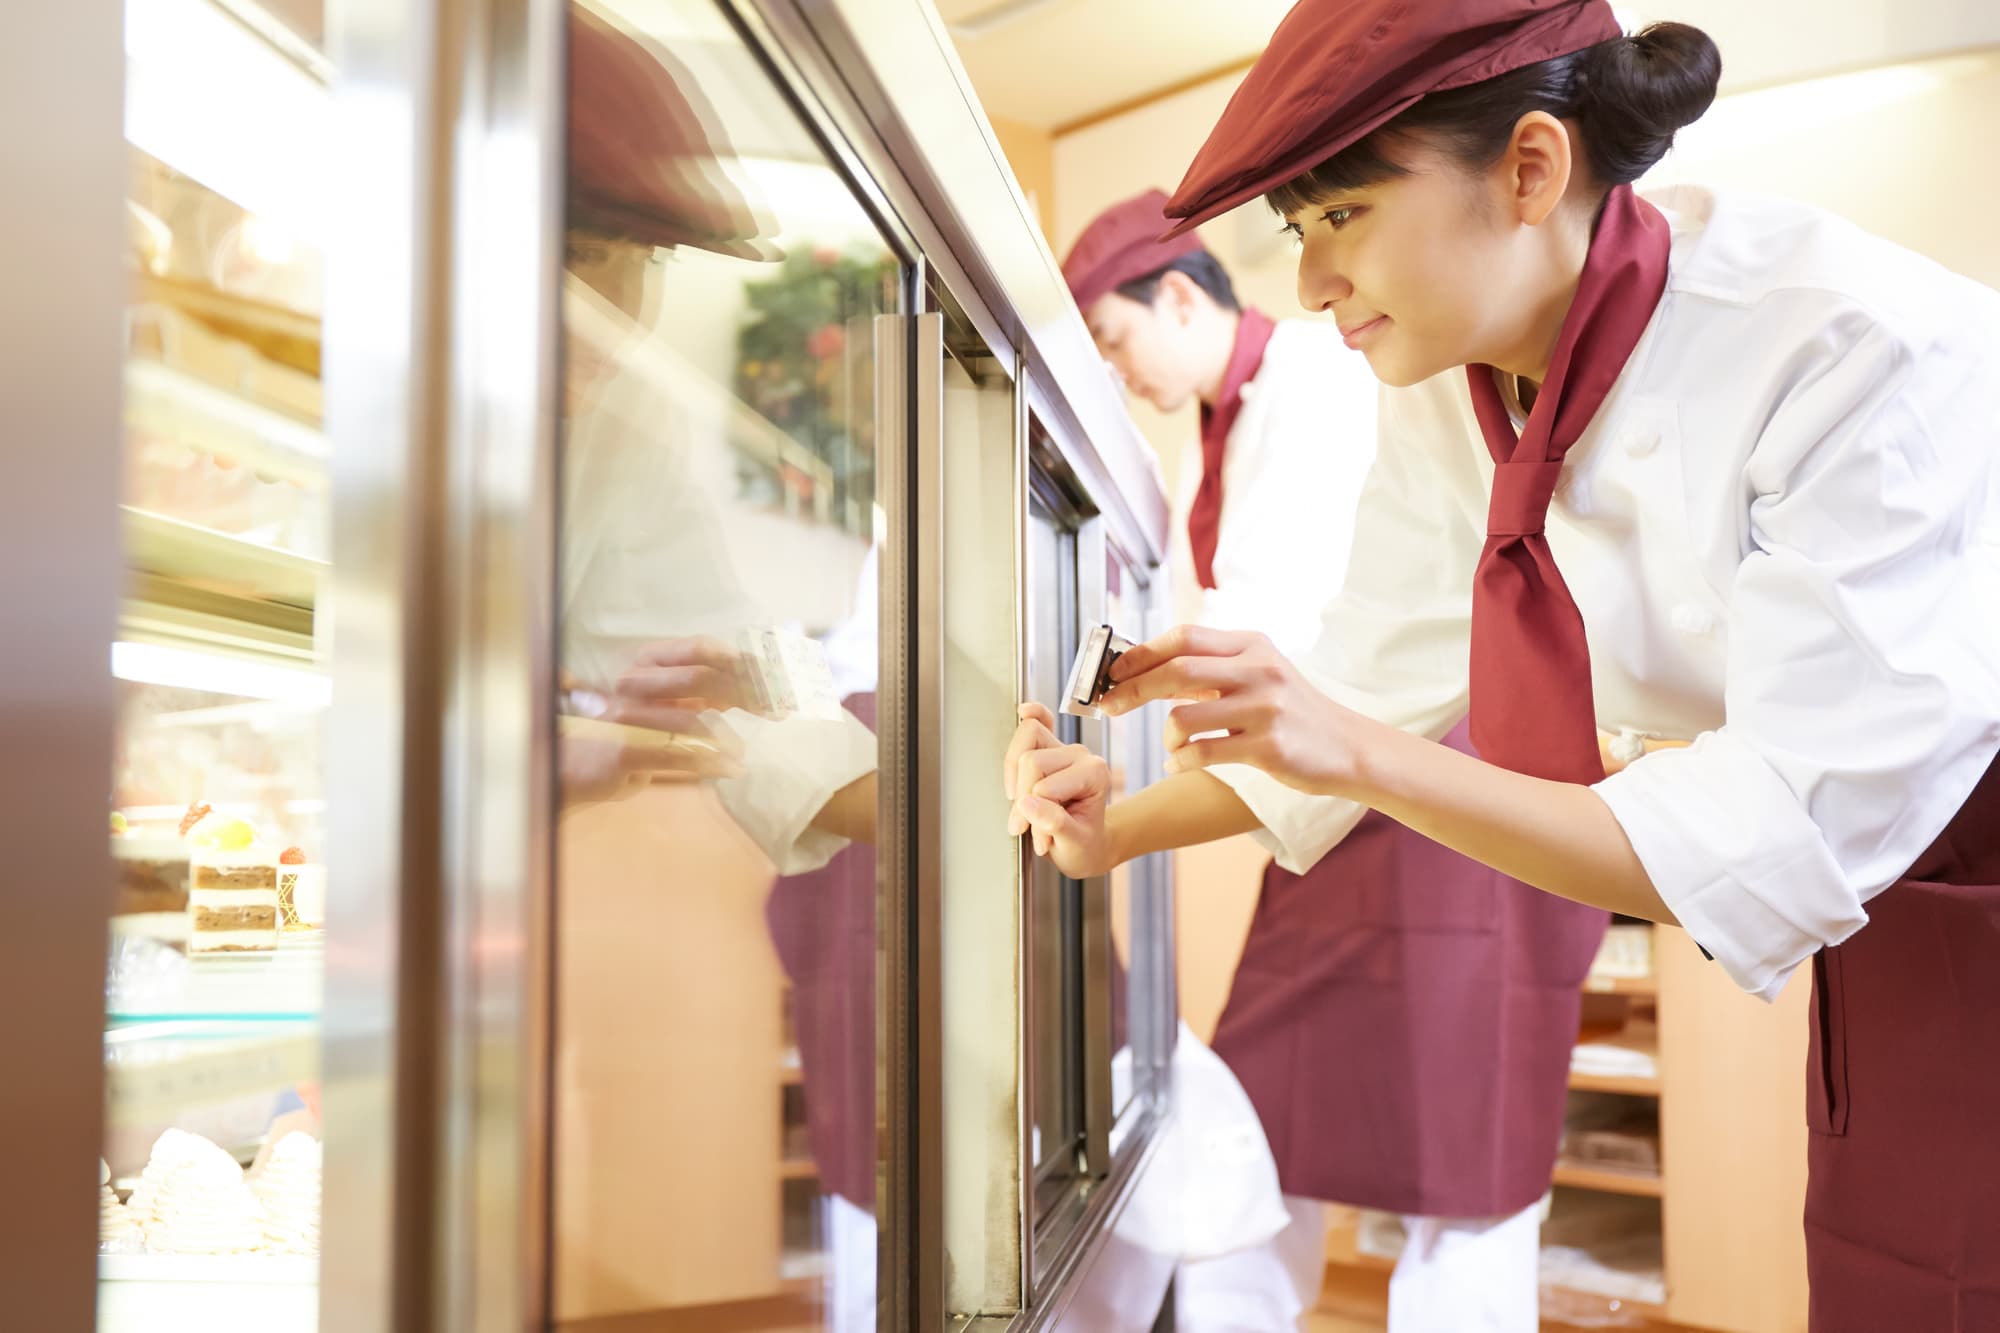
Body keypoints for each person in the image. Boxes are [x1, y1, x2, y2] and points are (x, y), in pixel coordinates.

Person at [1004, 4, 2000, 1331]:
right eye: (1300, 237)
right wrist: (1116, 830)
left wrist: (1345, 746)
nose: (1310, 285)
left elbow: (1770, 833)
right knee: (1897, 1268)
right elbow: (1367, 682)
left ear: (1531, 168)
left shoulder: (1856, 344)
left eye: (1343, 218)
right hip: (1904, 917)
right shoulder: (1453, 389)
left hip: (1943, 840)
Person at [1063, 191, 1602, 1331]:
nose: (1122, 376)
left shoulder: (1313, 381)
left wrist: (1137, 772)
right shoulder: (1231, 426)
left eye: (1113, 345)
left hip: (1443, 775)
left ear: (1173, 295)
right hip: (1341, 793)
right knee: (1268, 1114)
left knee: (1467, 1163)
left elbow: (1308, 642)